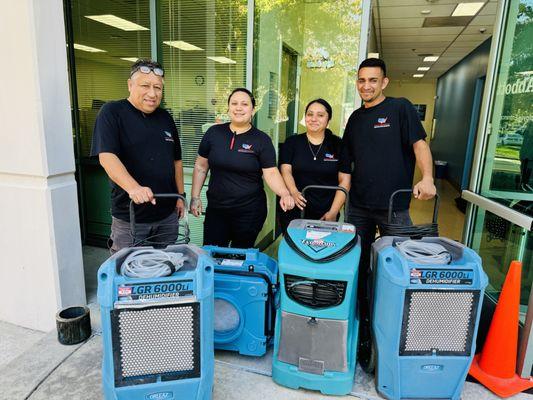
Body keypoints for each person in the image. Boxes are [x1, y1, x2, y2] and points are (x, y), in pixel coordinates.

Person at [342, 58, 436, 368]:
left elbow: (419, 146)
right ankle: (363, 325)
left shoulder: (400, 108)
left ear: (384, 82)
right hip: (358, 207)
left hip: (394, 206)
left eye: (372, 80)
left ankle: (398, 328)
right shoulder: (354, 119)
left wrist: (427, 178)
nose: (366, 85)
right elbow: (347, 167)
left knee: (400, 268)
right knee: (357, 267)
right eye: (361, 80)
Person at [91, 59, 185, 253]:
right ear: (130, 85)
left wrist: (180, 196)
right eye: (145, 86)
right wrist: (134, 188)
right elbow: (107, 157)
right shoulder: (112, 112)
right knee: (129, 275)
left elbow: (176, 161)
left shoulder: (165, 118)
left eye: (158, 88)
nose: (152, 93)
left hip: (167, 217)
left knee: (167, 271)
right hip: (131, 218)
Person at [190, 88, 295, 248]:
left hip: (249, 211)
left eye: (244, 104)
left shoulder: (262, 140)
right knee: (212, 255)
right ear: (228, 107)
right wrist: (195, 197)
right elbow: (201, 166)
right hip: (217, 210)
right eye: (234, 103)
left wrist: (285, 194)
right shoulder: (214, 133)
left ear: (253, 109)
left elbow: (271, 172)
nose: (239, 108)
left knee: (240, 258)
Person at [279, 99, 351, 231]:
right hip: (295, 210)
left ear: (328, 119)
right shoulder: (292, 142)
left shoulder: (339, 145)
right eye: (310, 114)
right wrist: (294, 192)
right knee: (295, 250)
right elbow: (285, 171)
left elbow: (345, 181)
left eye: (320, 115)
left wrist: (333, 212)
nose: (314, 119)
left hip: (326, 213)